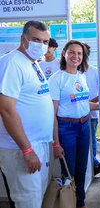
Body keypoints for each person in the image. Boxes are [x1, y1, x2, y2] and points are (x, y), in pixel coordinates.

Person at [0, 20, 54, 208]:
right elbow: (6, 110)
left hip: (38, 145)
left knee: (36, 198)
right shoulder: (12, 63)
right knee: (27, 201)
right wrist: (27, 150)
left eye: (45, 41)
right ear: (24, 39)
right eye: (36, 40)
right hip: (22, 149)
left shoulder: (32, 63)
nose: (42, 45)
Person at [49, 40, 99, 208]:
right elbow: (52, 114)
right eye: (72, 52)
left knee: (81, 169)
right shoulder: (57, 79)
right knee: (68, 171)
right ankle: (67, 203)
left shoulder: (81, 76)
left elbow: (82, 103)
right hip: (66, 129)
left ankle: (80, 203)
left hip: (84, 126)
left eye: (79, 53)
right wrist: (56, 143)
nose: (76, 56)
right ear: (64, 53)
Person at [83, 43, 100, 176]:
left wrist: (91, 102)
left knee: (92, 139)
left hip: (91, 113)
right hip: (75, 115)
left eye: (82, 53)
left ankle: (94, 164)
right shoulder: (73, 71)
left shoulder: (94, 71)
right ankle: (91, 164)